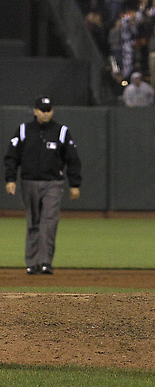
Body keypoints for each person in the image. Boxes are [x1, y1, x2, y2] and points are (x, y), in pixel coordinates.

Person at [4, 96, 82, 275]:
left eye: (48, 110)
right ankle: (32, 263)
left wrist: (74, 183)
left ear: (52, 111)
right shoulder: (24, 130)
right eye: (42, 110)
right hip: (29, 182)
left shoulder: (61, 131)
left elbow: (73, 159)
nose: (45, 114)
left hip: (53, 183)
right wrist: (10, 179)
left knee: (49, 221)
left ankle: (46, 261)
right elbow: (11, 157)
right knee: (33, 222)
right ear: (35, 111)